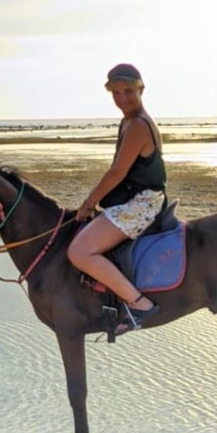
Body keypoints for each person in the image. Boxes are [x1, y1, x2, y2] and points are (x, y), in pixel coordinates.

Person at [67, 63, 166, 334]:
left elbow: (117, 172)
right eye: (116, 93)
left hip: (142, 203)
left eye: (128, 91)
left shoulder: (137, 125)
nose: (122, 98)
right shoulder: (129, 121)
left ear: (141, 88)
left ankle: (139, 304)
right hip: (138, 198)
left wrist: (88, 203)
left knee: (79, 251)